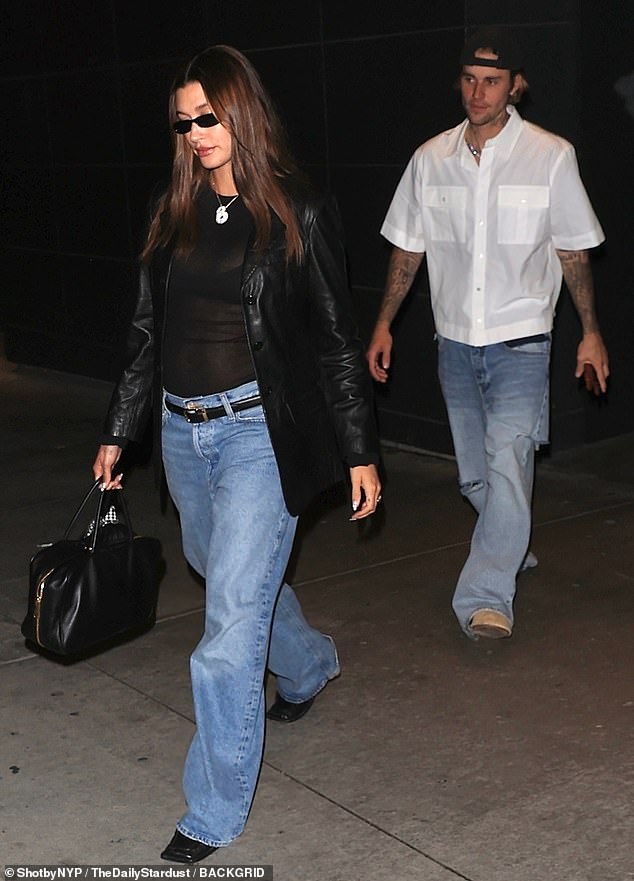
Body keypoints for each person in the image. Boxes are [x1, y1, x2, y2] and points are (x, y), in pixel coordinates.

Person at [92, 44, 381, 863]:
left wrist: (360, 449)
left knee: (225, 634)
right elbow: (147, 334)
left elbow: (334, 341)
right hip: (184, 432)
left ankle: (212, 809)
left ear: (241, 110)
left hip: (260, 432)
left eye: (208, 117)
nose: (196, 133)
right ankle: (311, 661)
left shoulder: (300, 210)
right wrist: (121, 430)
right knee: (233, 586)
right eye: (184, 122)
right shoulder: (172, 207)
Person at [367, 27, 608, 642]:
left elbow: (574, 252)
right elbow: (407, 252)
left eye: (492, 82)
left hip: (523, 343)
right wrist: (384, 324)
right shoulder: (431, 159)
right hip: (454, 343)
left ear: (516, 86)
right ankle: (511, 538)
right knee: (477, 478)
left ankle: (485, 595)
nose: (478, 93)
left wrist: (590, 333)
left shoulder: (550, 156)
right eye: (470, 80)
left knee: (505, 465)